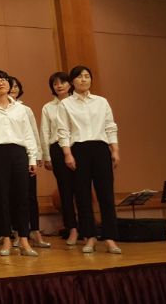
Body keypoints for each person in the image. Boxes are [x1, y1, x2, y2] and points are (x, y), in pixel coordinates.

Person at [57, 65, 122, 254]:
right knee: (82, 195)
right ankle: (89, 237)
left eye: (87, 76)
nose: (84, 80)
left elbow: (110, 126)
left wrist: (115, 150)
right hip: (78, 149)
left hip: (101, 148)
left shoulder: (101, 102)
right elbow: (63, 131)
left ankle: (110, 238)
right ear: (72, 81)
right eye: (79, 77)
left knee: (106, 194)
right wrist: (67, 154)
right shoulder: (65, 104)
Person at [0, 69, 39, 257]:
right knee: (1, 197)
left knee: (22, 197)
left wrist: (32, 158)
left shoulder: (20, 108)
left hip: (19, 153)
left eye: (3, 80)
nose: (0, 83)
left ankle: (24, 240)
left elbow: (28, 134)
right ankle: (6, 239)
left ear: (9, 84)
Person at [9, 76, 51, 248]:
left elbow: (33, 132)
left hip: (27, 156)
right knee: (13, 195)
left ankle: (35, 230)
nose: (13, 88)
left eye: (16, 86)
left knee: (30, 195)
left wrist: (38, 154)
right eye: (11, 86)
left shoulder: (25, 110)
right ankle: (18, 232)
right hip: (11, 156)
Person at [40, 71, 78, 245]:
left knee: (82, 188)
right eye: (55, 83)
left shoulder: (77, 103)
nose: (59, 85)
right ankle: (72, 228)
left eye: (62, 82)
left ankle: (88, 227)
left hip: (77, 145)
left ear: (70, 84)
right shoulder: (48, 107)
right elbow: (45, 132)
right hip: (57, 148)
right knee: (65, 190)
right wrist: (46, 156)